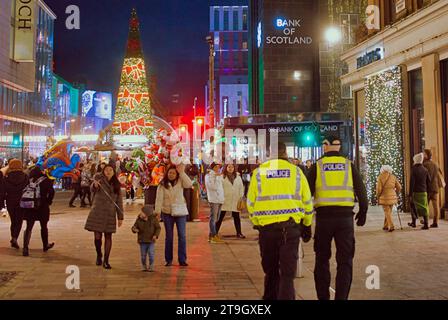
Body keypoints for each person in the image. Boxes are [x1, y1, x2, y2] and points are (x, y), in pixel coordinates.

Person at [247, 142, 313, 300]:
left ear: (269, 153)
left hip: (267, 230)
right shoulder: (296, 172)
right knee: (287, 274)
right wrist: (307, 224)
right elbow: (307, 201)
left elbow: (250, 203)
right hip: (290, 230)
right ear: (285, 153)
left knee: (270, 272)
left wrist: (257, 222)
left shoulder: (259, 172)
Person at [307, 134, 368, 300]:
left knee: (321, 259)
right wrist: (363, 211)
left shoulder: (317, 166)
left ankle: (323, 297)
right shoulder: (349, 165)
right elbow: (361, 190)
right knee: (345, 261)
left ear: (325, 146)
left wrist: (304, 223)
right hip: (345, 220)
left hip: (324, 219)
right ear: (339, 146)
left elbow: (305, 195)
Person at [85, 164, 124, 269]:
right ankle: (99, 255)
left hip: (110, 214)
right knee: (97, 237)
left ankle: (106, 260)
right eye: (106, 170)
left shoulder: (116, 184)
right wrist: (95, 185)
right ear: (103, 171)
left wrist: (120, 216)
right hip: (97, 212)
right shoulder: (99, 179)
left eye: (111, 170)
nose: (108, 172)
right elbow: (92, 189)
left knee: (108, 236)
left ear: (113, 171)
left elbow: (119, 201)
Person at [155, 164, 192, 267]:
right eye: (170, 172)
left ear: (177, 174)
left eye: (174, 173)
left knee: (182, 236)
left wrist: (182, 173)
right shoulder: (162, 184)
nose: (171, 174)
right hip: (167, 212)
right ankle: (168, 259)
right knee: (169, 236)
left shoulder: (181, 181)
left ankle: (182, 259)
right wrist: (157, 212)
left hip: (180, 212)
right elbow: (159, 199)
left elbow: (189, 184)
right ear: (167, 173)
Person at [22, 166, 55, 256]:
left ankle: (25, 248)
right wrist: (48, 201)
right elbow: (51, 192)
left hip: (30, 206)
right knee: (44, 226)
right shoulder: (46, 180)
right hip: (42, 206)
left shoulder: (29, 180)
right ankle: (45, 245)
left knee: (29, 227)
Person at [0, 159, 29, 249]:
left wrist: (2, 204)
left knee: (13, 221)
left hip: (10, 201)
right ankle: (15, 238)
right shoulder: (25, 176)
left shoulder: (6, 177)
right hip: (22, 201)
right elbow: (28, 189)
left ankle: (13, 237)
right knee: (19, 220)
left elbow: (2, 191)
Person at [216, 164, 245, 238]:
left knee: (236, 217)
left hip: (235, 199)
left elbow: (241, 187)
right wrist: (219, 197)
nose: (230, 168)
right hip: (225, 199)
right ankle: (215, 232)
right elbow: (219, 188)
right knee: (220, 217)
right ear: (226, 168)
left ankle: (239, 233)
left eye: (232, 167)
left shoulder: (238, 177)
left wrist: (241, 196)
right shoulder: (222, 177)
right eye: (229, 167)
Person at [132, 205, 161, 272]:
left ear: (147, 214)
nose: (141, 213)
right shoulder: (139, 220)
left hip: (151, 240)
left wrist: (155, 235)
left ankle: (151, 265)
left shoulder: (154, 220)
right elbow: (134, 227)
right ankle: (143, 265)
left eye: (143, 212)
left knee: (151, 254)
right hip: (142, 240)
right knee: (143, 255)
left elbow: (158, 228)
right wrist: (134, 229)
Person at [376, 165, 402, 232]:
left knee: (387, 211)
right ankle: (385, 226)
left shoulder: (380, 177)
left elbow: (379, 189)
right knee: (388, 211)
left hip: (384, 197)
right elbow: (399, 187)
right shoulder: (393, 177)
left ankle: (391, 226)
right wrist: (396, 193)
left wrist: (378, 195)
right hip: (393, 197)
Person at [205, 162, 225, 244]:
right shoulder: (209, 176)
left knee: (216, 218)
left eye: (218, 167)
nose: (217, 168)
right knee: (213, 218)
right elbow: (212, 187)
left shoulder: (218, 175)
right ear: (212, 167)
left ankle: (212, 235)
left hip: (219, 199)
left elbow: (221, 187)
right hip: (214, 199)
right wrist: (216, 177)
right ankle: (213, 235)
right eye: (216, 167)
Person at [409, 153, 431, 230]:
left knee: (413, 206)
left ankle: (414, 223)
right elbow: (429, 181)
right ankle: (426, 224)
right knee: (425, 207)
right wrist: (428, 191)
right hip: (424, 192)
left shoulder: (414, 170)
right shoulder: (425, 170)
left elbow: (412, 183)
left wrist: (410, 194)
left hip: (416, 192)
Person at [423, 149, 443, 228]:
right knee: (436, 206)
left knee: (425, 206)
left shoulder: (424, 165)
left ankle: (426, 222)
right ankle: (435, 222)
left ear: (427, 155)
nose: (423, 155)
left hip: (427, 188)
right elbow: (440, 174)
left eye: (424, 154)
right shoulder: (436, 164)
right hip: (435, 187)